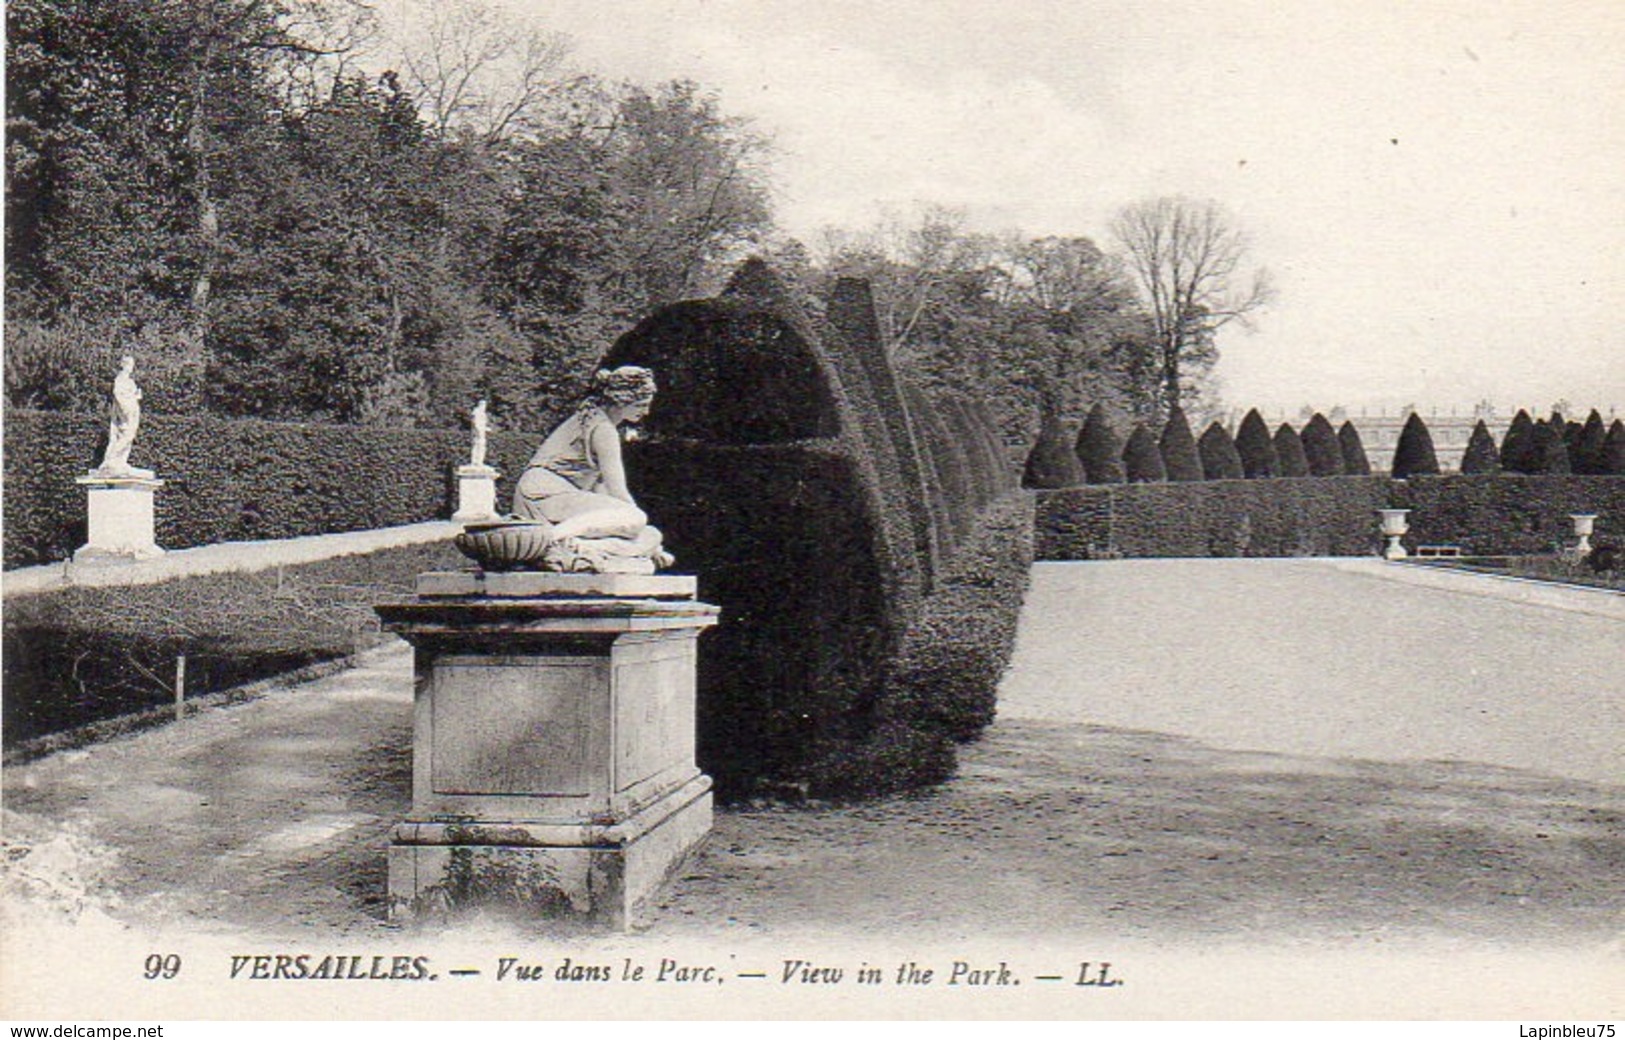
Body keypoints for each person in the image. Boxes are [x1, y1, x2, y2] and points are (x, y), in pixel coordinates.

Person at [512, 366, 671, 571]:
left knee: (650, 534)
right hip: (544, 495)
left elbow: (601, 491)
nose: (646, 411)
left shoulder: (591, 418)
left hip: (546, 494)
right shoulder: (604, 430)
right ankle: (552, 540)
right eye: (642, 404)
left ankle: (583, 547)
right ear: (623, 400)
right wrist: (635, 520)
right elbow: (618, 493)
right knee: (636, 518)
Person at [99, 354, 143, 475]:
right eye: (129, 365)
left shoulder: (129, 381)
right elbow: (119, 395)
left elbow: (129, 396)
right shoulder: (120, 379)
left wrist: (136, 397)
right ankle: (111, 458)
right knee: (126, 435)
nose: (131, 368)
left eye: (132, 365)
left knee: (129, 436)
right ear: (124, 365)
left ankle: (120, 460)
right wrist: (126, 410)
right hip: (126, 411)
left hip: (132, 410)